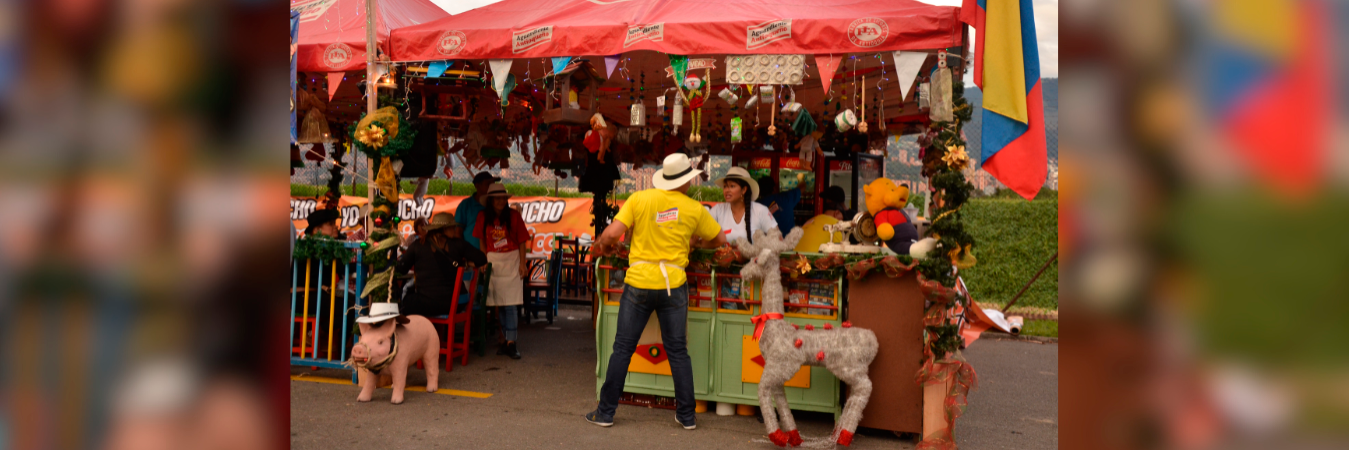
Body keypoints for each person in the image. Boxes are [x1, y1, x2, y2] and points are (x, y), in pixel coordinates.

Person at [585, 153, 727, 430]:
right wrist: (695, 245)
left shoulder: (640, 199)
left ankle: (605, 413)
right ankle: (686, 416)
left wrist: (605, 246)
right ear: (685, 182)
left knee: (623, 349)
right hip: (674, 284)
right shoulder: (694, 208)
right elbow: (719, 241)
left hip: (638, 281)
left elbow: (612, 234)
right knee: (677, 351)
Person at [473, 183, 531, 359]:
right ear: (490, 200)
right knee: (500, 304)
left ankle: (511, 342)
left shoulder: (514, 216)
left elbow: (522, 241)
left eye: (503, 198)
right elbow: (482, 241)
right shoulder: (482, 217)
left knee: (511, 304)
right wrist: (484, 261)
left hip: (512, 260)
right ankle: (506, 340)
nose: (500, 201)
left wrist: (522, 263)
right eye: (497, 198)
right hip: (494, 261)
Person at [396, 213, 488, 318]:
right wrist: (464, 263)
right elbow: (481, 258)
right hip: (458, 303)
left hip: (428, 304)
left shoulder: (417, 245)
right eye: (452, 227)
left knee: (406, 301)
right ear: (444, 229)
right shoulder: (459, 244)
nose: (455, 229)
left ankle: (422, 333)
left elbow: (401, 269)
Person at [710, 166, 777, 244]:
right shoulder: (717, 210)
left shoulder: (760, 210)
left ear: (744, 190)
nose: (727, 190)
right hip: (724, 256)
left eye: (732, 186)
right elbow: (703, 236)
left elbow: (777, 239)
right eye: (725, 186)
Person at [456, 171, 500, 249]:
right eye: (488, 184)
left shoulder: (497, 204)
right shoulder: (466, 205)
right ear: (477, 186)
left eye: (493, 184)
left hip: (495, 251)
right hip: (471, 253)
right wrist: (462, 251)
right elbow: (458, 231)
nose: (492, 186)